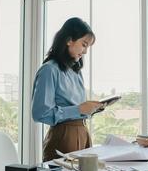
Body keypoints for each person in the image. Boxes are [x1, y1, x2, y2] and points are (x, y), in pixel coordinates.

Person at [32, 17, 104, 161]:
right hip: (63, 137)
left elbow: (77, 108)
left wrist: (90, 109)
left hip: (83, 133)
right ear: (69, 40)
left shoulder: (76, 72)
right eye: (84, 45)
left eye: (88, 47)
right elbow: (40, 113)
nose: (85, 52)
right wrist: (79, 109)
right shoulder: (49, 70)